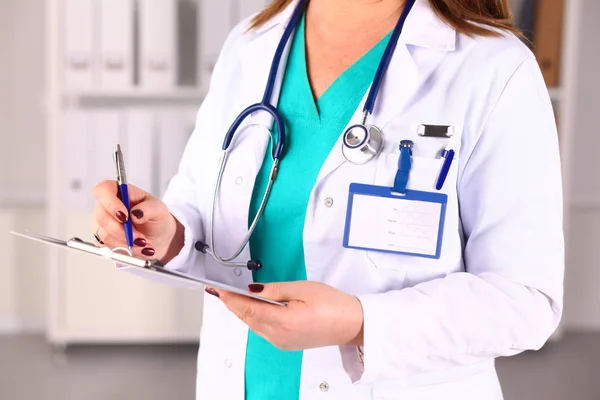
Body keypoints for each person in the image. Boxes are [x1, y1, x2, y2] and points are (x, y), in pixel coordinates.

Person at [92, 0, 565, 398]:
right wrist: (164, 236)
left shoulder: (495, 69)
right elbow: (199, 214)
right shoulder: (252, 45)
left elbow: (525, 299)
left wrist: (360, 322)